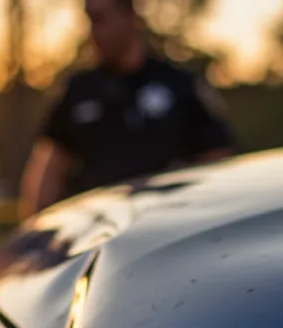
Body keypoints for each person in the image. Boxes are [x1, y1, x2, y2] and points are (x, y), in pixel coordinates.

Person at [19, 0, 236, 217]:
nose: (93, 32)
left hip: (169, 218)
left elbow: (218, 157)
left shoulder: (178, 85)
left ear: (129, 16)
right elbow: (48, 167)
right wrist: (37, 223)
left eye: (101, 20)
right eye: (90, 21)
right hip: (100, 223)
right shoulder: (78, 90)